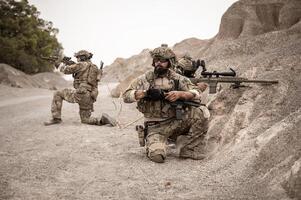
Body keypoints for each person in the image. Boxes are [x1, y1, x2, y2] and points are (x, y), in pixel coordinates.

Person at [122, 45, 209, 163]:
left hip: (176, 122)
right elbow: (126, 96)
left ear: (169, 62)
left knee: (201, 112)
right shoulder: (145, 79)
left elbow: (196, 92)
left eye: (162, 61)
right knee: (158, 157)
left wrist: (180, 94)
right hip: (155, 127)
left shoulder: (177, 78)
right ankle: (156, 143)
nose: (159, 63)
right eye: (156, 60)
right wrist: (145, 93)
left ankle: (189, 149)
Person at [44, 50, 116, 126]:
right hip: (90, 96)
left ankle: (56, 118)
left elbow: (66, 70)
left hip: (81, 93)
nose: (77, 59)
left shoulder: (81, 65)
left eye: (78, 57)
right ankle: (102, 120)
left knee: (58, 93)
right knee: (85, 119)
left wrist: (58, 64)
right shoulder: (95, 67)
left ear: (82, 57)